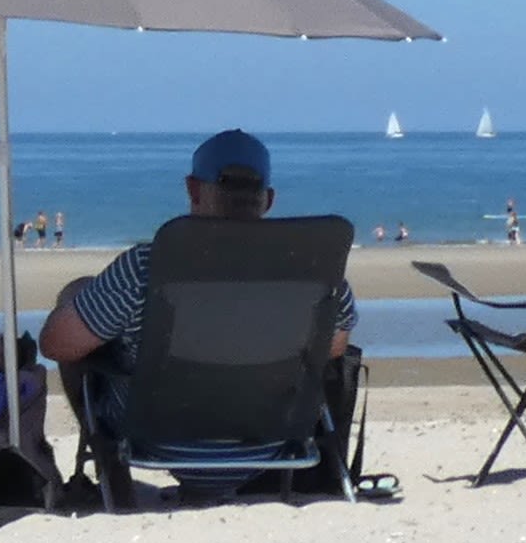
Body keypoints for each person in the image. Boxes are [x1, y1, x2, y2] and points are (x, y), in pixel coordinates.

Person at [37, 129, 354, 498]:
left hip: (158, 438)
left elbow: (56, 345)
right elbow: (333, 346)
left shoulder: (147, 266)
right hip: (272, 440)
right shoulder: (313, 268)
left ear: (192, 189)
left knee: (83, 319)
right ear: (267, 199)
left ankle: (112, 471)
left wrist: (75, 295)